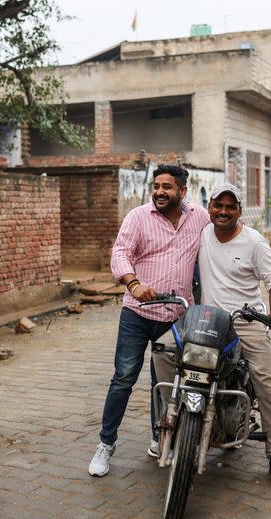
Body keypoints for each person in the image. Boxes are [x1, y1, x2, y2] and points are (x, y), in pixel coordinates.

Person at [154, 182, 271, 487]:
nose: (223, 212)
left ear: (240, 211)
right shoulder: (202, 232)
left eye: (231, 207)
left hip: (245, 320)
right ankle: (174, 419)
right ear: (210, 207)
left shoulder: (254, 242)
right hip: (206, 318)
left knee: (265, 383)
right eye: (218, 205)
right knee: (162, 352)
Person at [88, 164, 209, 477]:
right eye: (156, 186)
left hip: (176, 317)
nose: (159, 192)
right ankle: (106, 444)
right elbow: (121, 253)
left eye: (167, 187)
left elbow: (218, 248)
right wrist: (134, 284)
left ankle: (160, 437)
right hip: (137, 313)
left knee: (166, 383)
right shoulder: (138, 217)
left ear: (183, 191)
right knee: (124, 378)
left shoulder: (200, 218)